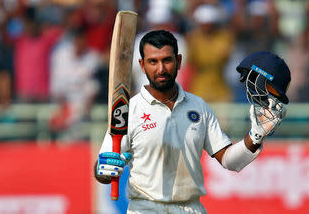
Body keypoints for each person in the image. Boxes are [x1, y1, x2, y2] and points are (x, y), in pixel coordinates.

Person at [94, 30, 290, 214]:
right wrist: (104, 169)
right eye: (153, 61)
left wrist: (255, 135)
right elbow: (103, 169)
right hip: (144, 208)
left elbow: (230, 161)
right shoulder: (128, 110)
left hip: (190, 209)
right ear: (142, 65)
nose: (161, 69)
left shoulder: (199, 107)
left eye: (167, 60)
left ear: (179, 61)